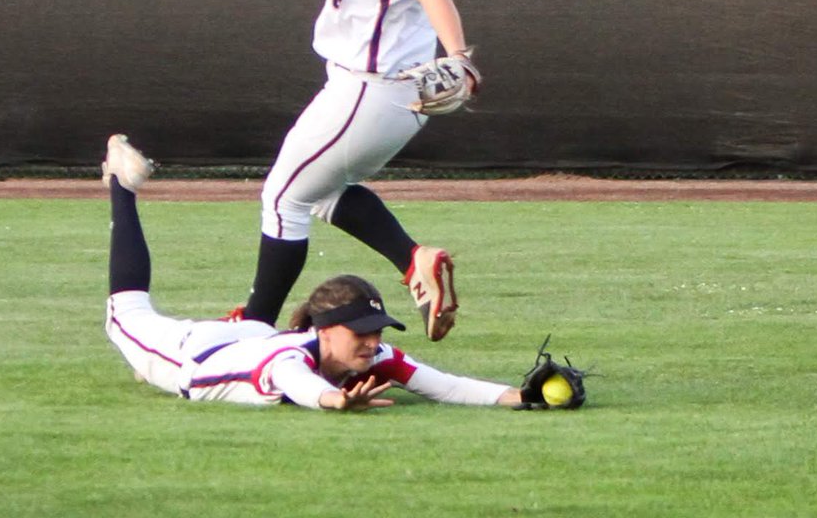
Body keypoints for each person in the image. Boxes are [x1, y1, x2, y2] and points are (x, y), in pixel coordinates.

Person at [199, 0, 479, 341]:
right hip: (369, 92)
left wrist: (460, 58)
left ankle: (254, 330)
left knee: (282, 199)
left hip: (373, 92)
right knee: (322, 192)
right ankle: (415, 260)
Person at [100, 134, 531, 411]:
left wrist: (523, 396)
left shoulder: (371, 356)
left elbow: (448, 387)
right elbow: (303, 387)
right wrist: (336, 402)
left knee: (255, 322)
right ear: (324, 331)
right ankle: (123, 184)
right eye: (360, 331)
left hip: (251, 336)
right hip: (188, 356)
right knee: (125, 313)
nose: (372, 341)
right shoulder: (289, 360)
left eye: (376, 329)